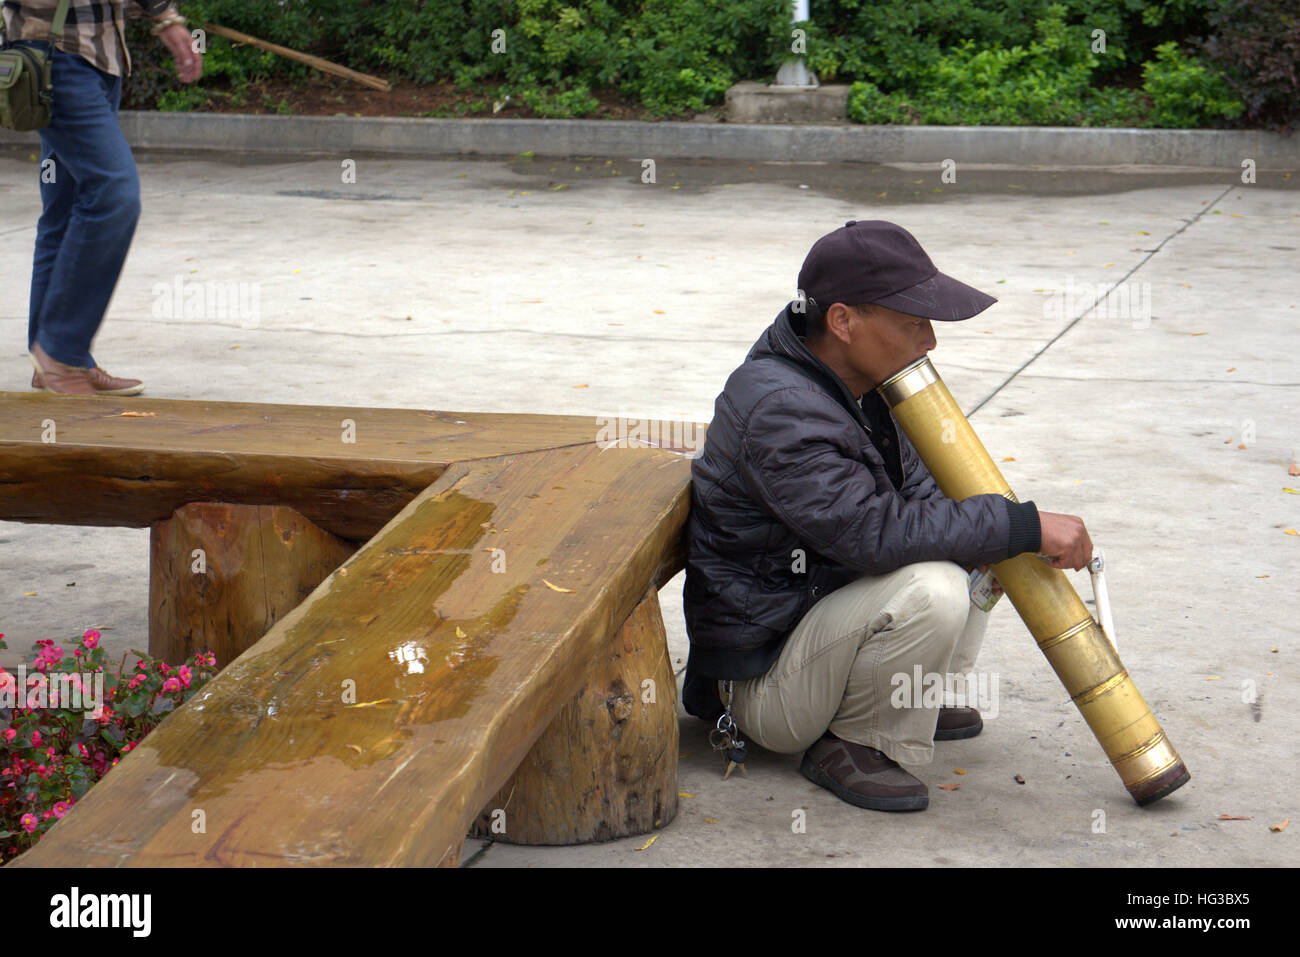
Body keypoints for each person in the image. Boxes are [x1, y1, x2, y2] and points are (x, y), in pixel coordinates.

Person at [682, 220, 1093, 812]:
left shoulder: (869, 383)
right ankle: (857, 739)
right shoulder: (779, 409)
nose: (930, 342)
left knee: (984, 550)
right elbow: (874, 535)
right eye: (912, 323)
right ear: (844, 322)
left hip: (812, 629)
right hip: (761, 687)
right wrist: (1020, 524)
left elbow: (928, 506)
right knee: (936, 586)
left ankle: (908, 696)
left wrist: (1007, 535)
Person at [3, 0, 202, 395]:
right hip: (53, 57)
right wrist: (165, 17)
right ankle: (60, 353)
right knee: (114, 193)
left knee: (63, 213)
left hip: (101, 59)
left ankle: (57, 362)